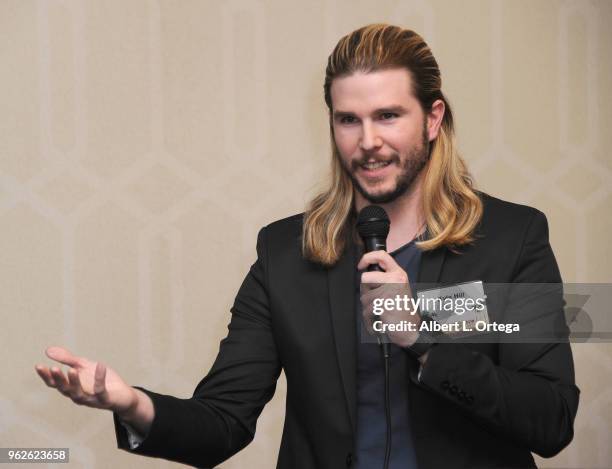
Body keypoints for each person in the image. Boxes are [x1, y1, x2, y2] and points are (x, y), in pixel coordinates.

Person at [36, 24, 579, 468]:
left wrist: (424, 337)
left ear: (433, 119)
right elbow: (223, 421)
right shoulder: (283, 254)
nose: (368, 141)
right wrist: (133, 405)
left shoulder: (512, 239)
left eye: (388, 116)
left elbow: (551, 420)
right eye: (349, 120)